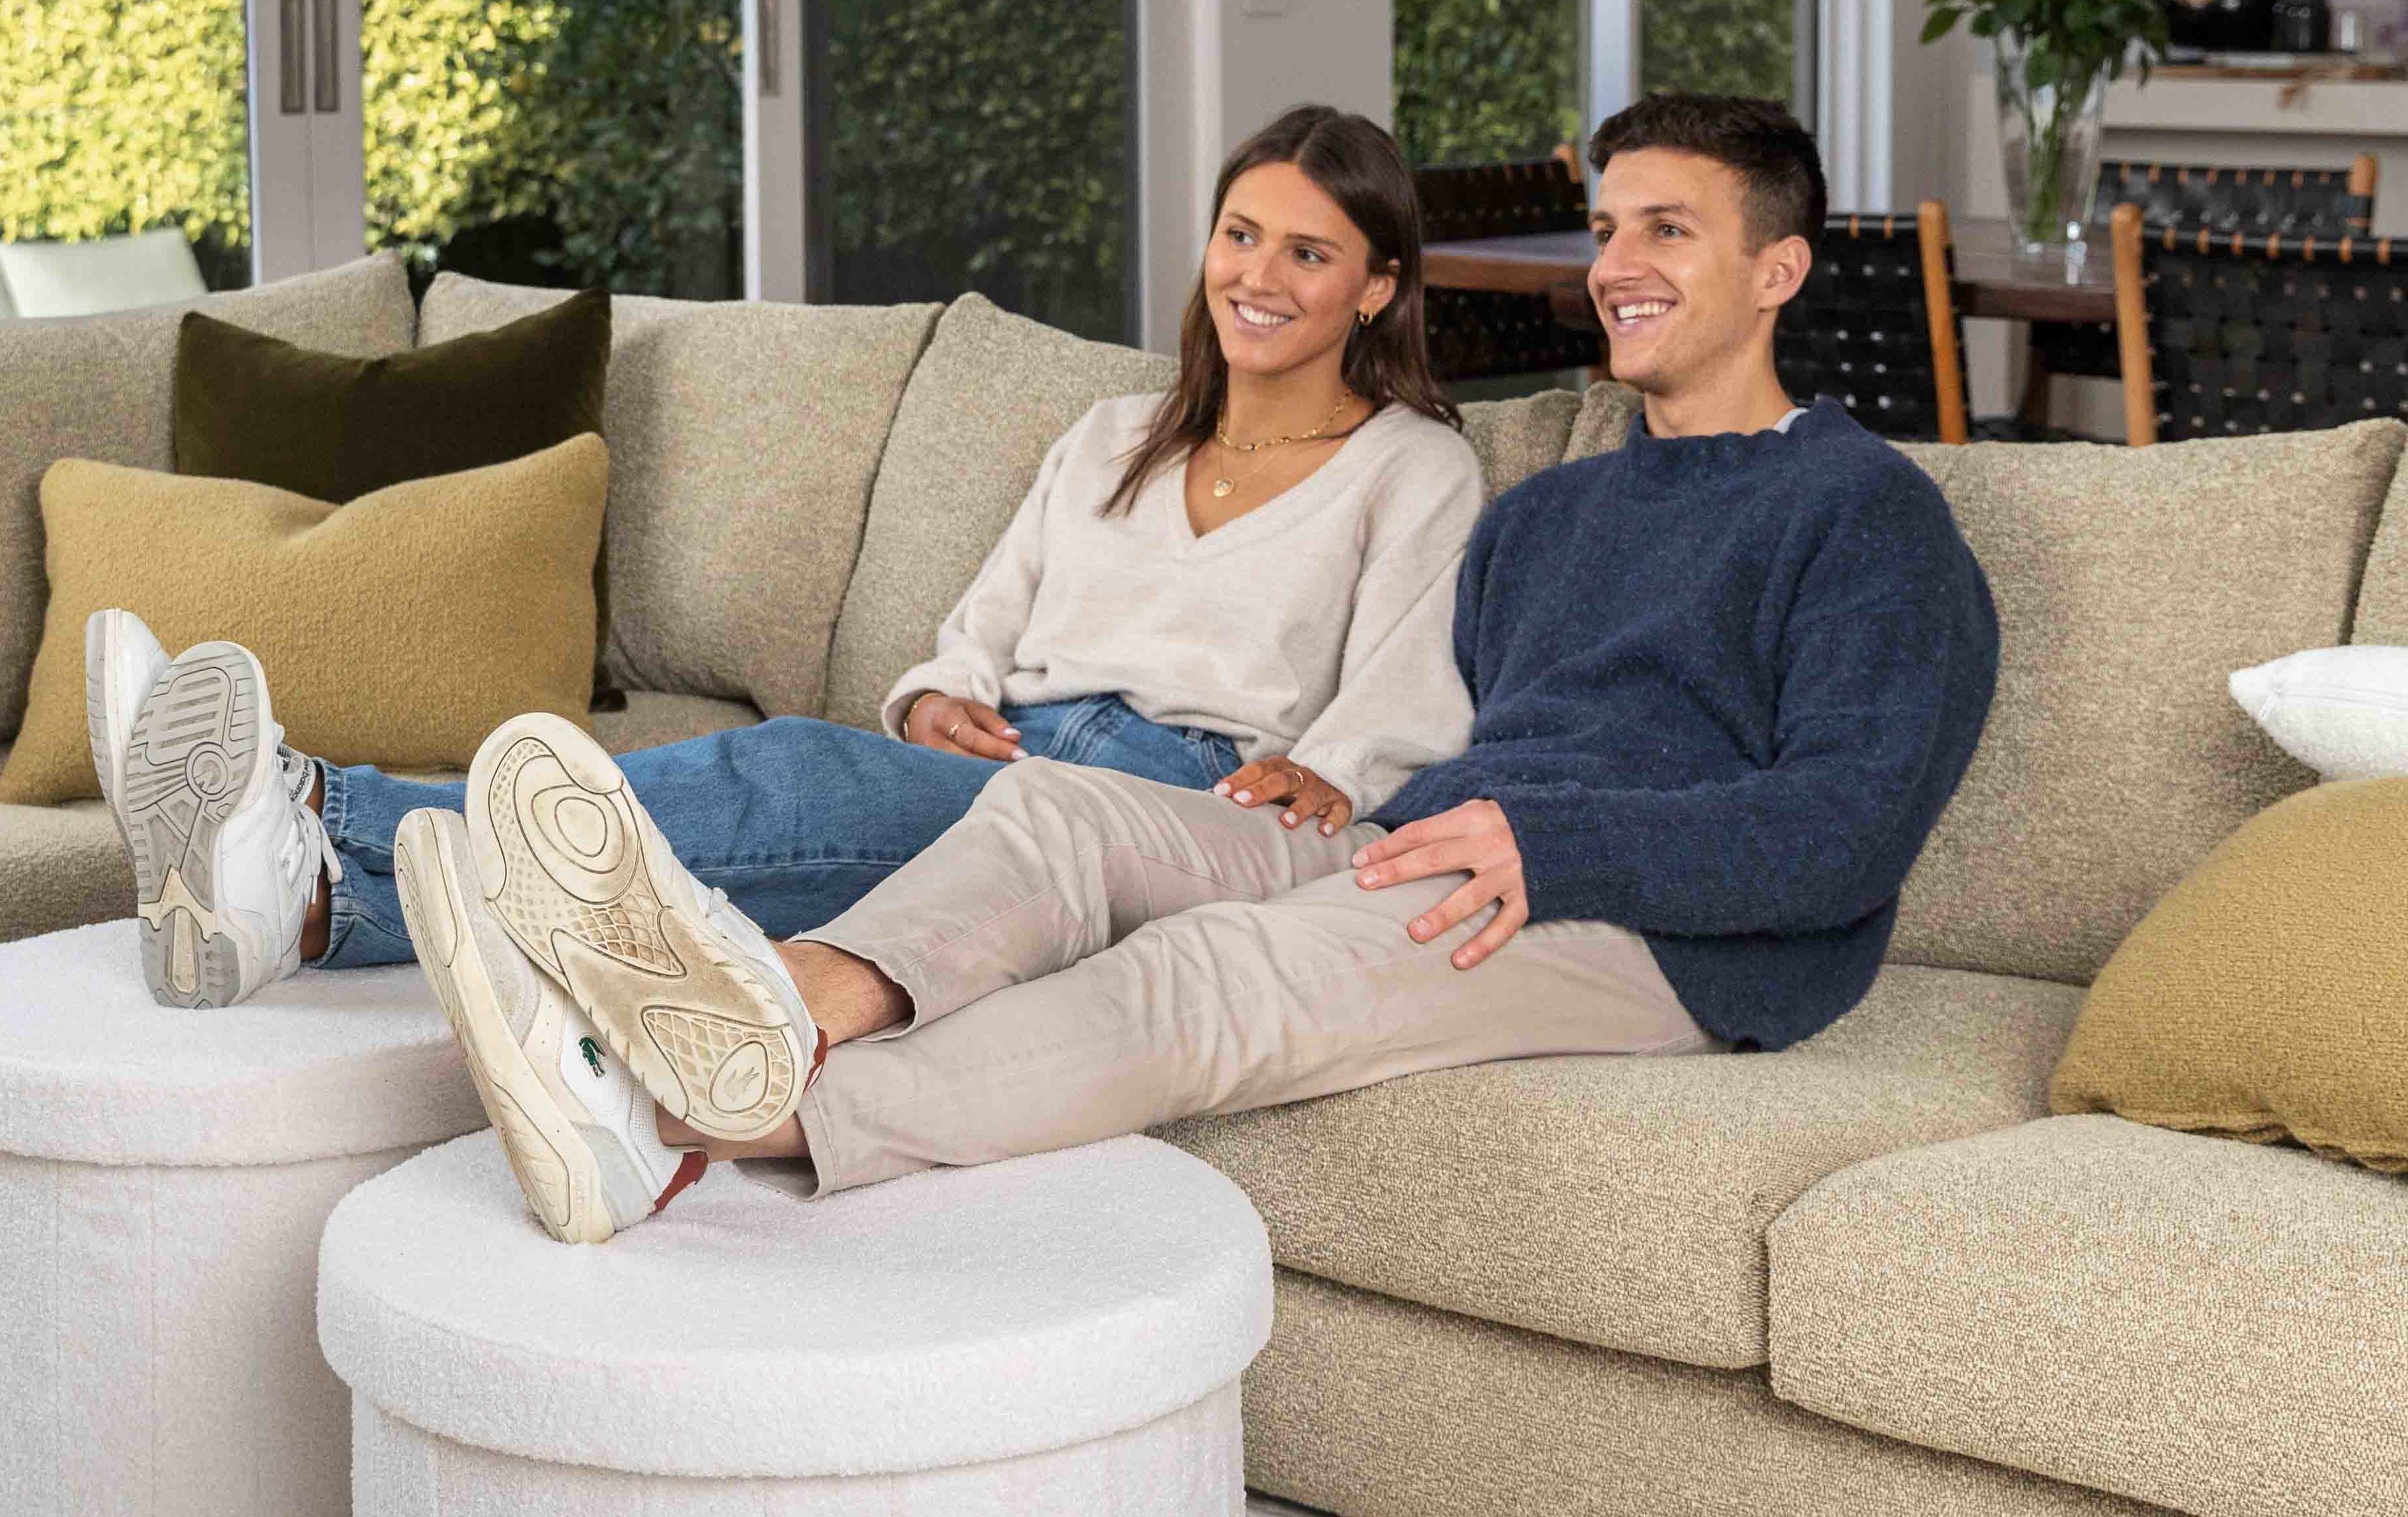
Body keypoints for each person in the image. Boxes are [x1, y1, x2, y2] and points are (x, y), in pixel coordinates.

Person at [409, 88, 2001, 1241]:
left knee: (1200, 980)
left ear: (1778, 272)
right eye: (1605, 227)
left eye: (1670, 228)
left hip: (1661, 937)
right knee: (1055, 822)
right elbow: (1452, 734)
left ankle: (688, 1123)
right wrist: (1391, 825)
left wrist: (1545, 840)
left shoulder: (1864, 514)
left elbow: (1847, 827)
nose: (1616, 261)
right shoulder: (1558, 511)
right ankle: (776, 1012)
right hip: (1436, 852)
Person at [96, 105, 1490, 1201]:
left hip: (1173, 798)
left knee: (790, 778)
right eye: (1239, 234)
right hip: (1010, 752)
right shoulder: (1116, 435)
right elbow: (986, 619)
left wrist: (1329, 771)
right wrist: (939, 691)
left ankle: (323, 826)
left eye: (1307, 252)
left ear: (1375, 286)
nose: (1258, 275)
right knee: (742, 839)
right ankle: (321, 897)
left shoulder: (1410, 467)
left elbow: (1407, 683)